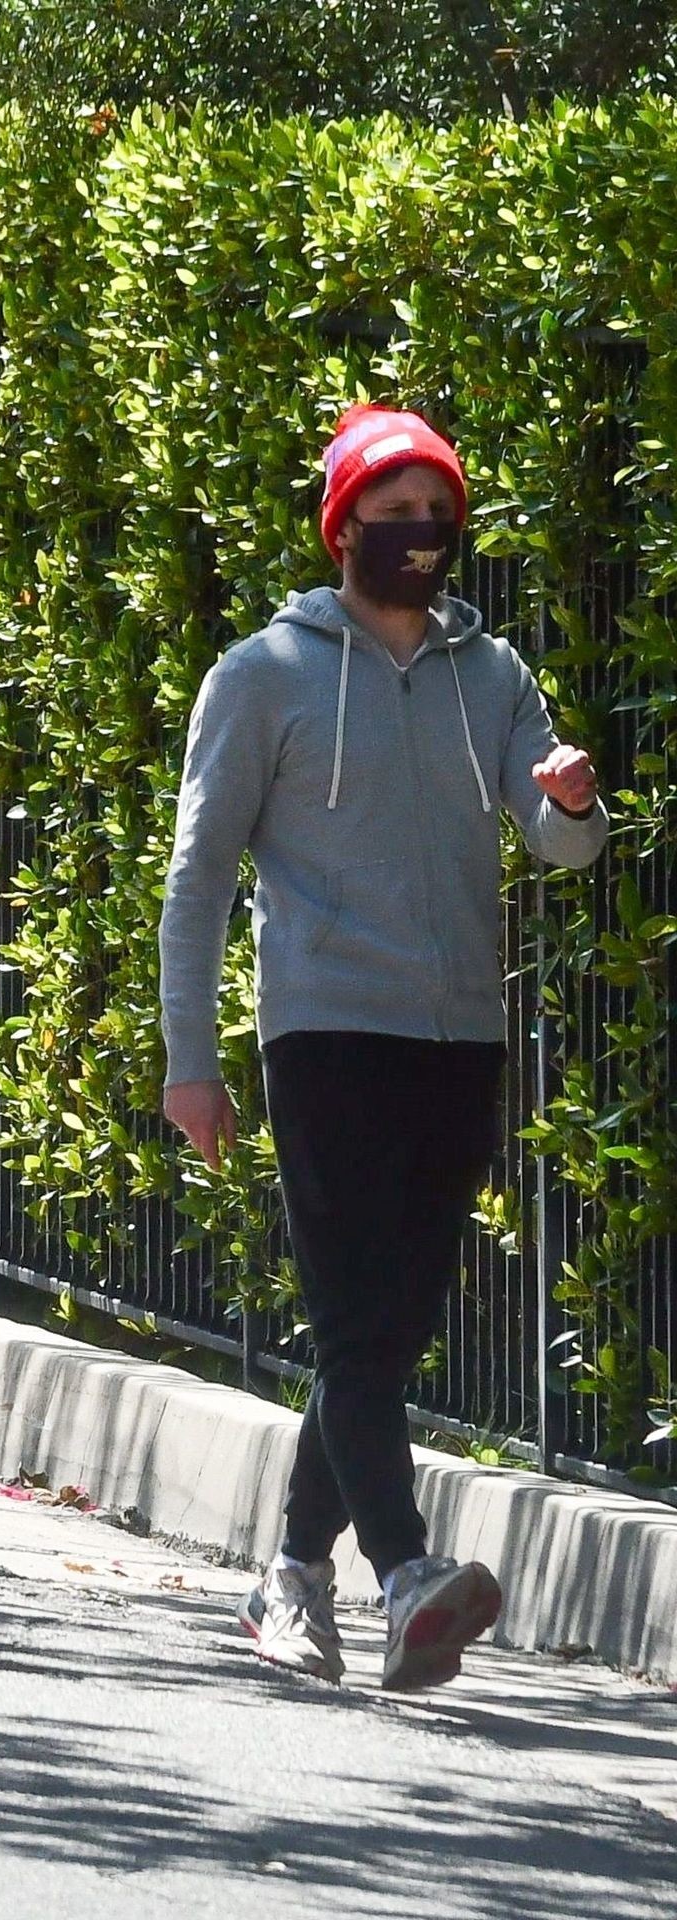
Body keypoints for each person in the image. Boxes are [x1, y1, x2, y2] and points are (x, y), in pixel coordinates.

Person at [159, 404, 607, 1691]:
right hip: (323, 1030)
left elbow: (554, 842)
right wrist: (190, 1060)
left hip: (457, 1036)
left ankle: (290, 1576)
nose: (418, 533)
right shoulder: (263, 675)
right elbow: (198, 878)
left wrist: (570, 803)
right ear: (341, 524)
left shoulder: (492, 674)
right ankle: (404, 1570)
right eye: (392, 512)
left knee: (380, 1334)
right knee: (354, 1319)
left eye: (436, 514)